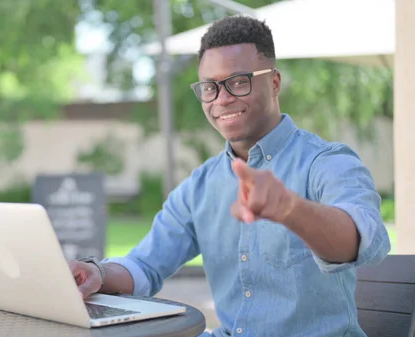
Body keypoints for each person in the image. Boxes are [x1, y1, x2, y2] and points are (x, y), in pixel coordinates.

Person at [69, 15, 391, 337]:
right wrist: (97, 272)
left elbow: (364, 240)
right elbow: (144, 266)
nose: (221, 99)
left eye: (238, 82)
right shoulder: (200, 186)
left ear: (275, 82)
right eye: (210, 87)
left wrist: (291, 209)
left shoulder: (327, 162)